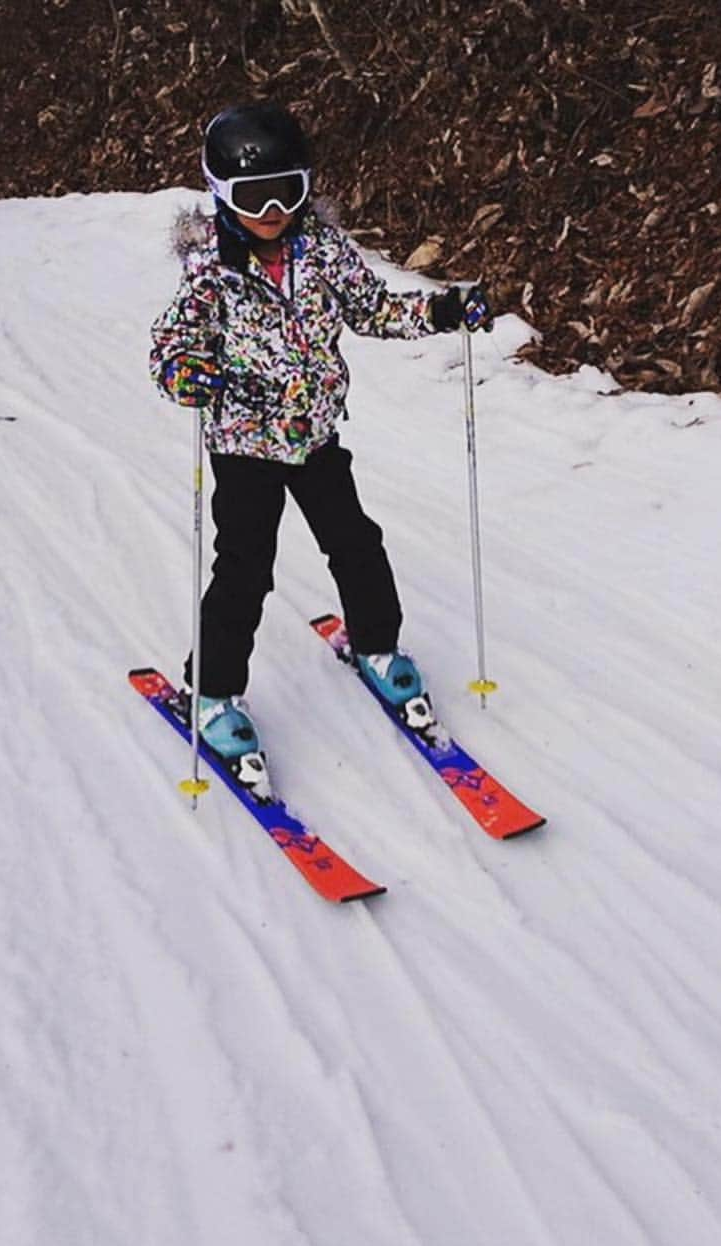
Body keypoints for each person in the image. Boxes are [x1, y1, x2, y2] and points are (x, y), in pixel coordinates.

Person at [149, 102, 492, 760]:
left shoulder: (325, 252)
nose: (273, 210)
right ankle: (214, 691)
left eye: (289, 191)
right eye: (255, 196)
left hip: (314, 433)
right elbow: (173, 344)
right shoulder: (210, 273)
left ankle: (378, 646)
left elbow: (375, 309)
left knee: (356, 543)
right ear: (222, 195)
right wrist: (186, 373)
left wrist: (443, 309)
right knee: (246, 569)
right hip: (246, 445)